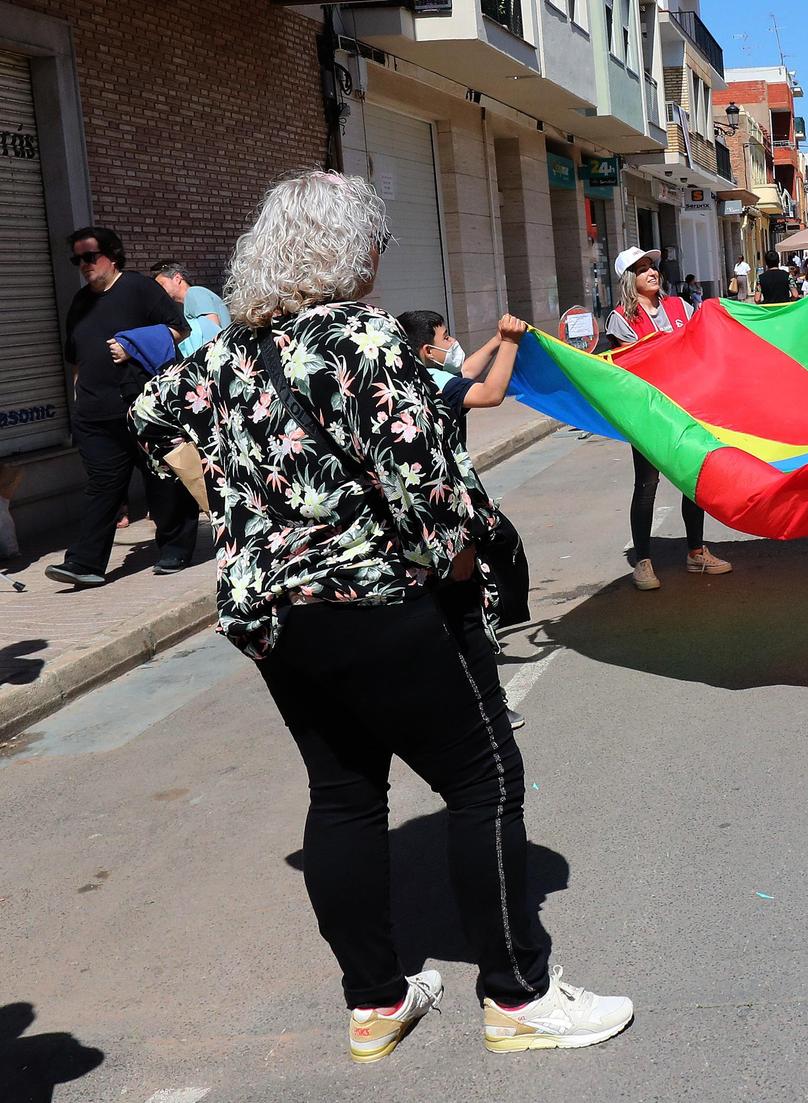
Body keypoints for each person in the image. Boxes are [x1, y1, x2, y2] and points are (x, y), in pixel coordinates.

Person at [129, 170, 631, 1060]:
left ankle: (375, 1001)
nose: (376, 260)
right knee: (487, 784)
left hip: (276, 617)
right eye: (375, 243)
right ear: (344, 249)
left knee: (344, 795)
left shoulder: (222, 353)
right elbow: (430, 487)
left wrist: (230, 507)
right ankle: (518, 995)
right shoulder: (361, 338)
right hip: (383, 603)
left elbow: (147, 409)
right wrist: (468, 583)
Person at [397, 308, 532, 734]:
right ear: (425, 350)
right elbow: (490, 392)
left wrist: (494, 340)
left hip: (429, 505)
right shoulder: (433, 383)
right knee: (473, 596)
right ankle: (486, 704)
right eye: (445, 336)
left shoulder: (409, 377)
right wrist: (510, 343)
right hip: (453, 505)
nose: (452, 341)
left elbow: (465, 370)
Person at [44, 225, 198, 588]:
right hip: (95, 415)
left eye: (89, 257)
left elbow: (180, 329)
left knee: (162, 480)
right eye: (76, 259)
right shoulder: (80, 303)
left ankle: (175, 546)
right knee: (102, 486)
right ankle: (85, 562)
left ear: (112, 255)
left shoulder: (139, 289)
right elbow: (77, 360)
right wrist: (78, 400)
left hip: (141, 407)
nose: (83, 265)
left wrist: (133, 345)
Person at [605, 245, 732, 586]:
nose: (652, 272)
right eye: (642, 268)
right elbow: (634, 363)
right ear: (629, 278)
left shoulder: (679, 306)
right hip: (649, 413)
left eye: (653, 266)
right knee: (647, 486)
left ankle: (696, 553)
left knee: (693, 482)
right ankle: (643, 562)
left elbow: (701, 338)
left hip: (689, 407)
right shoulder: (620, 318)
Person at [150, 260, 230, 357]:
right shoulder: (191, 298)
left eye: (162, 284)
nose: (160, 290)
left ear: (177, 278)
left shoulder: (194, 292)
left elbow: (212, 330)